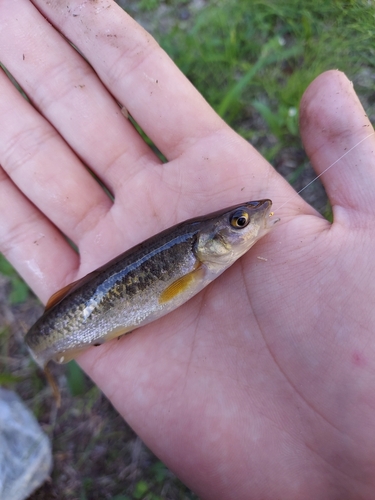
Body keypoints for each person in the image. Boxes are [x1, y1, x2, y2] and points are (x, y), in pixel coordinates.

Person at [1, 1, 374, 499]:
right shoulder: (196, 259)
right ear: (210, 243)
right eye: (241, 223)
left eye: (240, 222)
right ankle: (43, 350)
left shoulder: (208, 257)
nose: (252, 221)